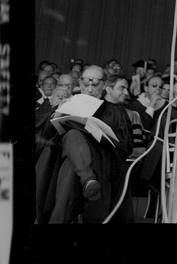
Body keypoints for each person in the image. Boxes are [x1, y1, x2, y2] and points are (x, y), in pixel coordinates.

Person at [35, 67, 134, 224]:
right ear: (80, 83)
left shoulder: (116, 111)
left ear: (103, 85)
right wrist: (58, 114)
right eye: (86, 83)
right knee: (73, 137)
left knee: (71, 166)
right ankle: (88, 180)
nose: (89, 89)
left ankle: (58, 219)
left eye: (95, 84)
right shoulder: (68, 104)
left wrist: (99, 135)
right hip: (59, 160)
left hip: (101, 162)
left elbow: (126, 148)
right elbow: (43, 138)